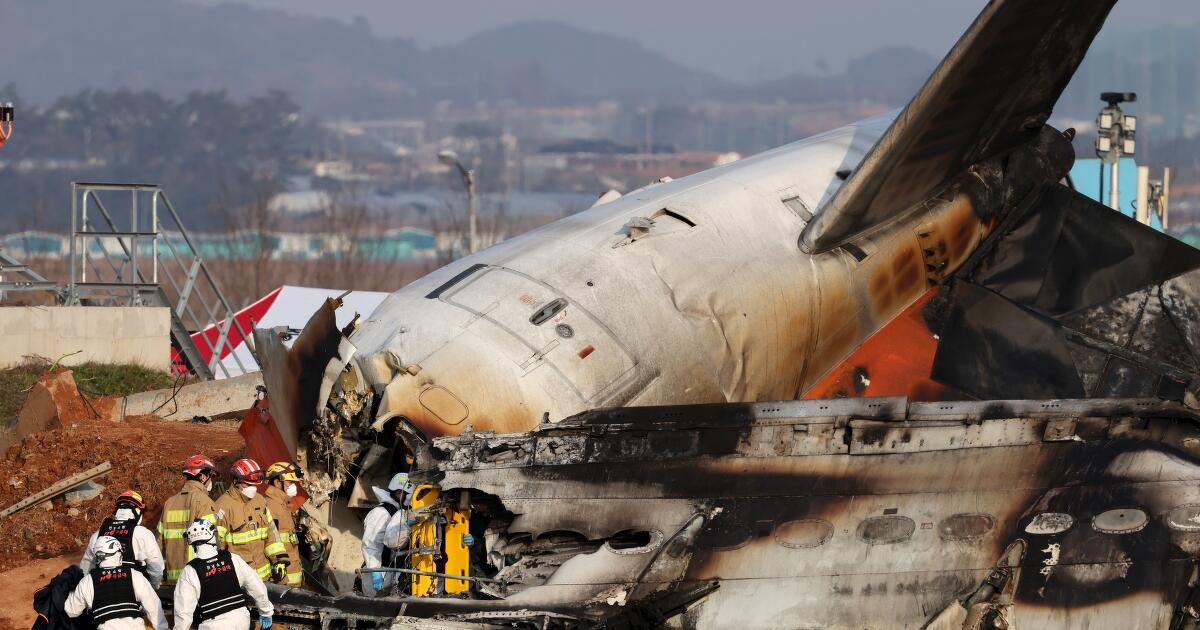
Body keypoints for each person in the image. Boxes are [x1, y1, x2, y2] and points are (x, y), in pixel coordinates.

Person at [172, 519, 273, 630]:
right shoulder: (232, 558)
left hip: (212, 625)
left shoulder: (190, 571)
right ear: (212, 536)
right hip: (242, 620)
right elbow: (256, 585)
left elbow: (183, 612)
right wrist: (266, 612)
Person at [64, 536, 169, 630]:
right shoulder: (134, 576)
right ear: (118, 554)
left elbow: (71, 611)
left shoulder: (87, 581)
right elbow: (153, 607)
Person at [214, 458, 289, 582]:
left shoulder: (260, 501)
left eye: (254, 484)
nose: (253, 488)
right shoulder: (222, 507)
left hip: (265, 579)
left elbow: (272, 534)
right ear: (235, 481)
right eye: (248, 484)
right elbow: (217, 548)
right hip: (240, 581)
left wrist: (279, 560)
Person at [80, 490, 165, 588]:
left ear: (117, 511)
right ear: (138, 513)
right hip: (133, 594)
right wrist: (153, 587)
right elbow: (156, 568)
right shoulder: (143, 534)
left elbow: (86, 569)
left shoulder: (98, 534)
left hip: (103, 592)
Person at [158, 454, 220, 585]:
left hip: (173, 580)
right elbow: (213, 541)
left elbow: (158, 543)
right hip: (198, 577)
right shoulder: (204, 502)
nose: (211, 481)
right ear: (203, 477)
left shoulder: (169, 503)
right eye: (211, 476)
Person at [360, 472, 411, 597]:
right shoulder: (382, 512)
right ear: (399, 493)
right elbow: (370, 544)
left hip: (391, 572)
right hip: (379, 573)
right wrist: (375, 571)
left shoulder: (399, 513)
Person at [263, 461, 305, 586]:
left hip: (293, 577)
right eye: (290, 482)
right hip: (285, 583)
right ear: (277, 483)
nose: (293, 486)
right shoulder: (271, 507)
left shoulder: (283, 505)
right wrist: (281, 580)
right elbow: (272, 544)